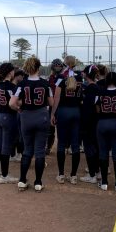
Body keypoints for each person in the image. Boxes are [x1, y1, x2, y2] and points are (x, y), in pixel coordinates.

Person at [9, 57, 53, 192]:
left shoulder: (22, 84)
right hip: (41, 117)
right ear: (38, 68)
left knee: (27, 150)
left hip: (26, 117)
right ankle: (38, 182)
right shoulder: (45, 83)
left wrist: (20, 109)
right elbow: (51, 103)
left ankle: (22, 180)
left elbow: (11, 103)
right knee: (40, 151)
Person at [51, 55, 83, 185]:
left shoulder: (61, 77)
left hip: (63, 111)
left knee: (61, 144)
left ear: (65, 63)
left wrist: (53, 113)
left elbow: (57, 97)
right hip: (76, 111)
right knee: (75, 144)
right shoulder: (79, 76)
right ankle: (74, 176)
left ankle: (61, 174)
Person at [96, 72, 116, 192]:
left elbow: (97, 107)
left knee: (103, 153)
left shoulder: (100, 92)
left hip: (102, 123)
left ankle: (104, 182)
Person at [79, 64, 100, 184]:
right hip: (95, 121)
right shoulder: (95, 87)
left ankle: (92, 174)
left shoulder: (90, 88)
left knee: (89, 148)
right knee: (95, 147)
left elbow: (89, 108)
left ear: (87, 74)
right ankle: (96, 172)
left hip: (89, 122)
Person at [46, 58, 64, 155]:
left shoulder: (63, 77)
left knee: (62, 127)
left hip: (61, 105)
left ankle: (65, 146)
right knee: (50, 128)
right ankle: (48, 147)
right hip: (52, 104)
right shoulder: (50, 78)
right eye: (56, 65)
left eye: (59, 65)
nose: (57, 67)